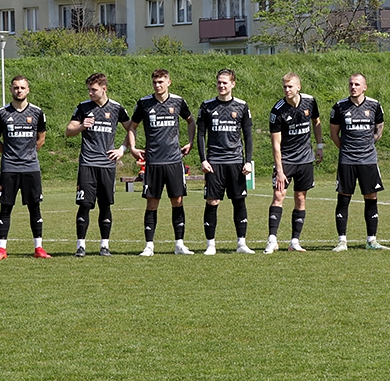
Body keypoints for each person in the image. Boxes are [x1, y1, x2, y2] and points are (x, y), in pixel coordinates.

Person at [127, 69, 196, 257]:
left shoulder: (178, 101)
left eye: (161, 82)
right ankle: (149, 245)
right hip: (154, 162)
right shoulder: (144, 103)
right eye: (155, 82)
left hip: (174, 160)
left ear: (169, 83)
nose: (158, 85)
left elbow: (191, 121)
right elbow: (132, 126)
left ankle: (179, 244)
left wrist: (190, 142)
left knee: (178, 201)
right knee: (152, 203)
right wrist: (133, 147)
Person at [65, 73, 131, 257]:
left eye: (93, 89)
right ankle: (81, 246)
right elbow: (68, 131)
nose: (90, 93)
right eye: (88, 89)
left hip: (107, 165)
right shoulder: (83, 108)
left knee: (105, 205)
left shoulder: (117, 108)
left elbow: (131, 128)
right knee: (84, 204)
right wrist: (81, 127)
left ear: (104, 88)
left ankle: (104, 246)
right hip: (87, 163)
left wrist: (122, 149)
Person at [0, 76, 50, 260]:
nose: (19, 91)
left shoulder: (38, 113)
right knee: (6, 207)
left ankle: (38, 248)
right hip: (9, 168)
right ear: (11, 89)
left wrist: (30, 153)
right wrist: (9, 154)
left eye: (22, 87)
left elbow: (41, 138)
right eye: (16, 87)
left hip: (31, 167)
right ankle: (1, 249)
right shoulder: (1, 113)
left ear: (28, 90)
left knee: (35, 207)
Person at [197, 68, 254, 255]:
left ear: (233, 84)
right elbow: (200, 134)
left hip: (236, 162)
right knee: (212, 202)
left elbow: (248, 136)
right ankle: (210, 245)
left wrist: (248, 161)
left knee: (239, 201)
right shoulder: (207, 106)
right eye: (219, 82)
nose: (221, 85)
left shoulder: (242, 106)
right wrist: (203, 159)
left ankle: (241, 244)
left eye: (225, 82)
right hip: (215, 162)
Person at [265, 73, 324, 253]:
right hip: (286, 159)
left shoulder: (310, 102)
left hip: (305, 159)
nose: (287, 90)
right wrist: (280, 170)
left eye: (290, 86)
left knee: (300, 198)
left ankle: (295, 242)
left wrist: (319, 145)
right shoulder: (278, 110)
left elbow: (317, 121)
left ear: (298, 87)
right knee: (279, 195)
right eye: (284, 86)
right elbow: (276, 144)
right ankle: (272, 240)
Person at [330, 73, 387, 251]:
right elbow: (334, 134)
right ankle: (342, 241)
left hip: (368, 160)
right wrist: (347, 149)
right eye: (351, 84)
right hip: (347, 160)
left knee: (371, 197)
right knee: (344, 198)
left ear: (364, 87)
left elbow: (379, 128)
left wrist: (369, 144)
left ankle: (371, 240)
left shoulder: (375, 105)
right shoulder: (339, 107)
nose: (353, 87)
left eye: (357, 84)